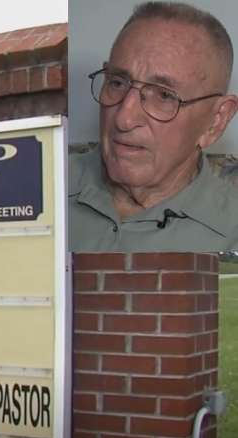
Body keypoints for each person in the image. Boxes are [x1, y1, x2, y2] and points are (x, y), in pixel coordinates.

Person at [68, 1, 238, 252]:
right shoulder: (34, 187)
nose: (123, 119)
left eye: (164, 96)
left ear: (216, 121)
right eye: (116, 83)